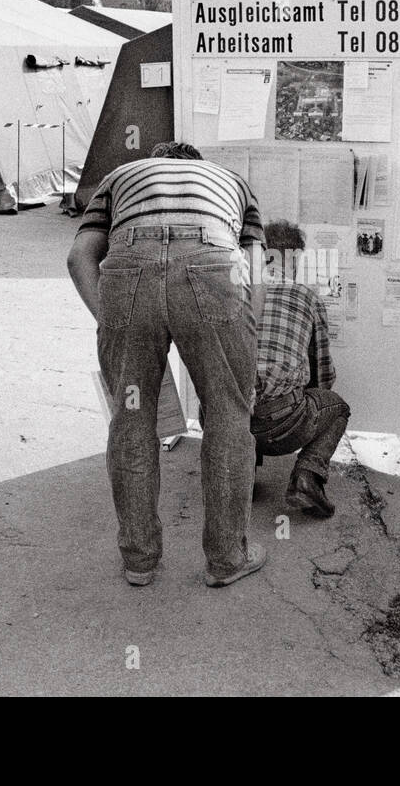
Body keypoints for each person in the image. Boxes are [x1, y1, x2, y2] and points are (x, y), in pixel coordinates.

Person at [68, 141, 268, 589]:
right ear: (197, 166)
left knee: (131, 419)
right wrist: (243, 341)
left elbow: (79, 257)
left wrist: (111, 322)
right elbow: (256, 270)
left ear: (157, 161)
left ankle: (139, 561)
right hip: (212, 264)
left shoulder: (120, 176)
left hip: (128, 270)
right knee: (229, 417)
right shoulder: (232, 182)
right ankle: (226, 559)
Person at [250, 219, 350, 518]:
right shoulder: (307, 297)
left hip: (225, 421)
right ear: (294, 258)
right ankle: (307, 478)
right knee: (337, 408)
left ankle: (242, 475)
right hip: (281, 426)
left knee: (240, 390)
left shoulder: (236, 290)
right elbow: (323, 376)